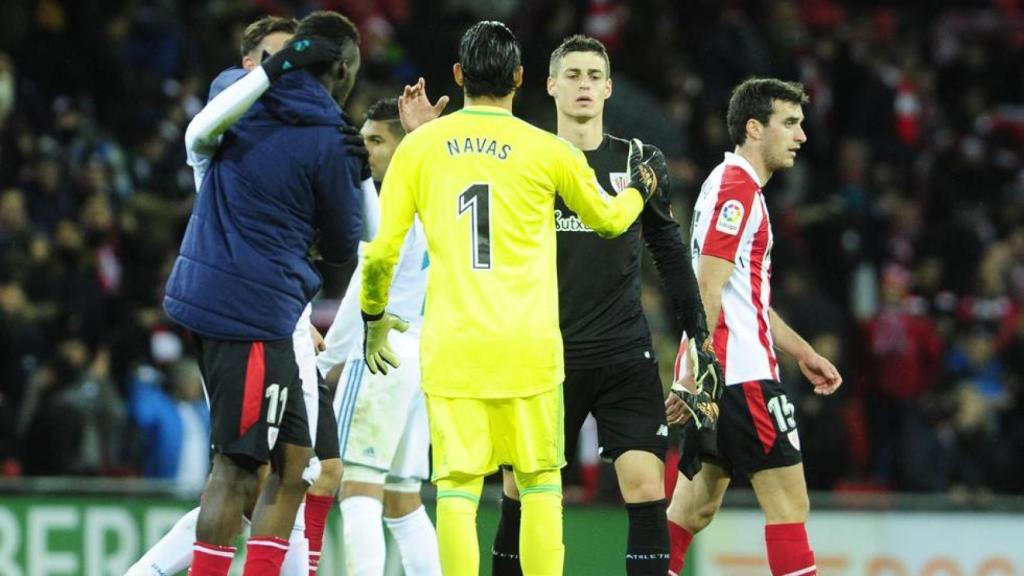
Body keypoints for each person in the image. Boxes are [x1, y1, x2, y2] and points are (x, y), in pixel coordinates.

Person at [359, 20, 666, 576]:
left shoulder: (420, 147)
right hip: (530, 346)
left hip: (454, 344)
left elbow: (381, 254)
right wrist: (639, 190)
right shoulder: (547, 150)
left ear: (458, 75)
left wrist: (374, 317)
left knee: (456, 488)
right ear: (522, 78)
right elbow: (608, 221)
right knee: (541, 481)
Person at [484, 34, 719, 576]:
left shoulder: (639, 161)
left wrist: (698, 337)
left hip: (623, 355)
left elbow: (669, 254)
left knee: (643, 486)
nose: (584, 85)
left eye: (594, 76)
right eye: (573, 75)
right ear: (550, 86)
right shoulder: (525, 160)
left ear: (609, 88)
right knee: (521, 490)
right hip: (546, 357)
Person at [162, 11, 365, 576]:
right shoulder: (278, 111)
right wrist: (355, 177)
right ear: (345, 68)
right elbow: (349, 249)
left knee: (299, 462)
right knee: (238, 468)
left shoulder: (244, 101)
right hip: (247, 309)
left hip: (263, 311)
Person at [664, 78, 843, 576]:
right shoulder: (737, 190)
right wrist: (694, 375)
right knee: (790, 507)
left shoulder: (728, 186)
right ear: (753, 128)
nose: (801, 136)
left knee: (690, 512)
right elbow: (706, 287)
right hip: (738, 376)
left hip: (719, 375)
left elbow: (744, 298)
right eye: (789, 123)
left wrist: (802, 352)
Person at [316, 97, 442, 576]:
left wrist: (329, 361)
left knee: (359, 489)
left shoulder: (396, 201)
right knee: (403, 499)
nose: (365, 150)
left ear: (403, 144)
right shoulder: (436, 196)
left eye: (376, 141)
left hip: (384, 350)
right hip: (425, 354)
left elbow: (365, 292)